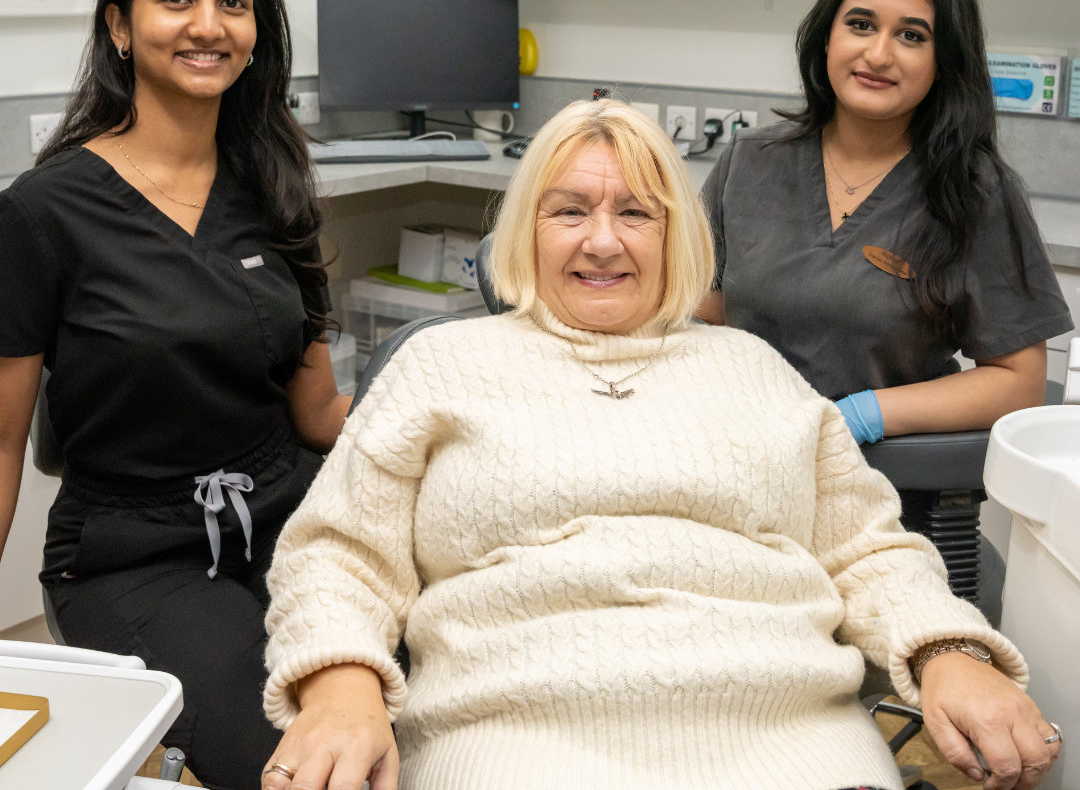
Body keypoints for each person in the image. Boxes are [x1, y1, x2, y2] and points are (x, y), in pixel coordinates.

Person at [258, 99, 1060, 790]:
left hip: (788, 741)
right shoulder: (443, 365)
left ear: (675, 234)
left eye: (635, 213)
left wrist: (951, 649)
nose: (602, 242)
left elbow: (869, 551)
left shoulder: (752, 367)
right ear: (525, 230)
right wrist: (340, 684)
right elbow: (338, 554)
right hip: (515, 740)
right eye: (569, 210)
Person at [0, 0, 350, 790]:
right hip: (135, 553)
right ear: (120, 25)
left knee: (409, 717)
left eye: (233, 3)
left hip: (289, 520)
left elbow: (316, 415)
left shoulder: (276, 184)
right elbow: (1, 440)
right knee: (294, 767)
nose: (208, 26)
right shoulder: (45, 213)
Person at [698, 0, 1072, 448]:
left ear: (944, 61)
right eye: (860, 24)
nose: (877, 54)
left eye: (911, 35)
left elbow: (1020, 382)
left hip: (883, 484)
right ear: (828, 33)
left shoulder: (975, 192)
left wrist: (863, 415)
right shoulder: (750, 163)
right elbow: (701, 317)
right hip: (738, 457)